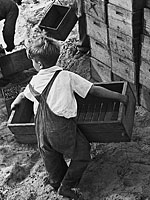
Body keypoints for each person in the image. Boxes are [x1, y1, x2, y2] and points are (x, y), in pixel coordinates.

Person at [11, 35, 128, 199]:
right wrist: (119, 97)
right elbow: (93, 90)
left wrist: (15, 102)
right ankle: (66, 186)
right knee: (82, 153)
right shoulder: (66, 76)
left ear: (39, 64)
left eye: (33, 61)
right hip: (61, 128)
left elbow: (24, 94)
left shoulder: (34, 81)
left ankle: (55, 181)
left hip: (41, 130)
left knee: (51, 159)